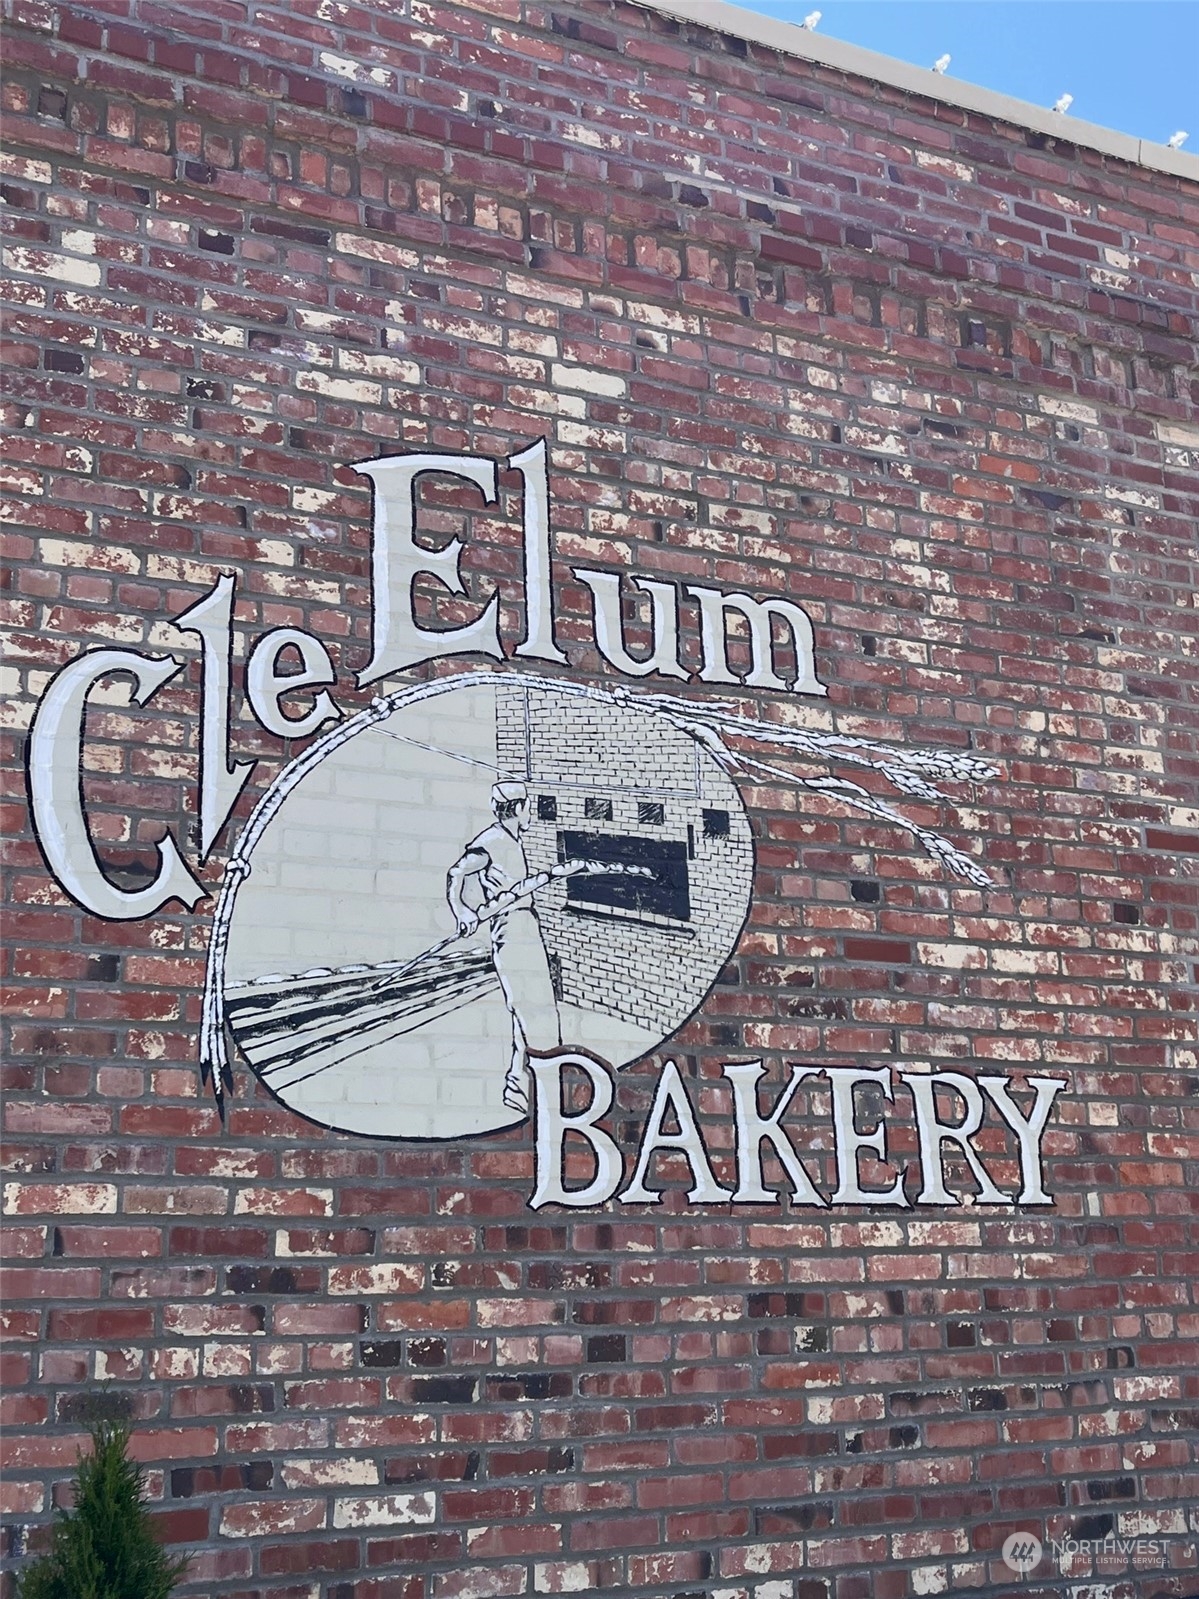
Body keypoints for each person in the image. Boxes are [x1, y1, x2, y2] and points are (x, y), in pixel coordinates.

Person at [446, 781, 560, 1114]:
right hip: (512, 929)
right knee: (532, 1012)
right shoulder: (491, 841)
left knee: (530, 1012)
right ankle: (536, 1089)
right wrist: (463, 911)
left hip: (524, 924)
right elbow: (456, 872)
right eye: (528, 807)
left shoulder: (510, 839)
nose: (530, 813)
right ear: (518, 808)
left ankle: (518, 1085)